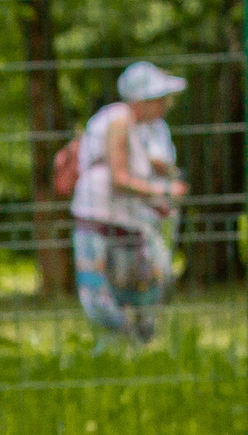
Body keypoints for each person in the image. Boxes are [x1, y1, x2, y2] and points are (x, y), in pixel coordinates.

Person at [71, 61, 189, 343]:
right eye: (160, 99)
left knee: (140, 286)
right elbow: (119, 178)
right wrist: (161, 193)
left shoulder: (138, 126)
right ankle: (127, 342)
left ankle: (130, 347)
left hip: (123, 219)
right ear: (142, 100)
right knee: (101, 297)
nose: (166, 105)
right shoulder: (120, 121)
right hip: (99, 217)